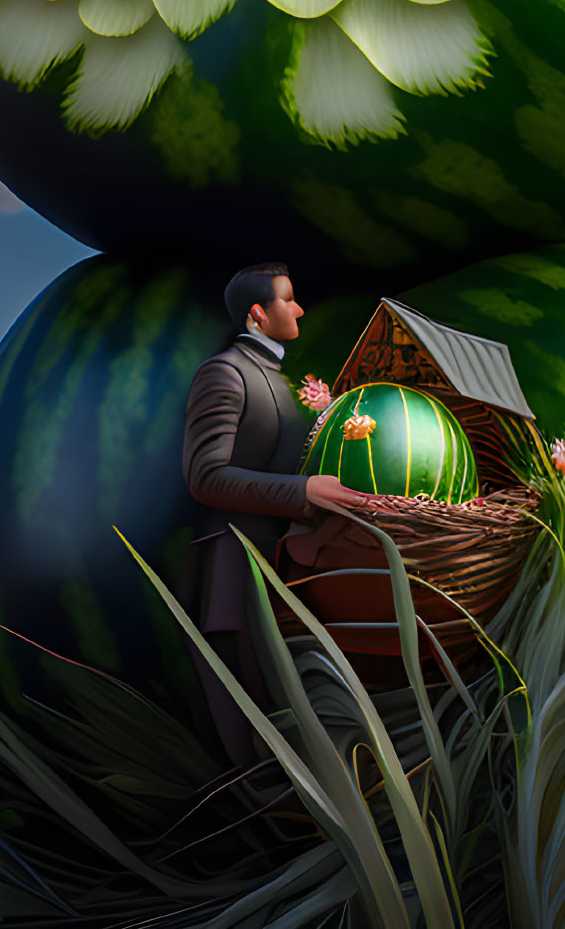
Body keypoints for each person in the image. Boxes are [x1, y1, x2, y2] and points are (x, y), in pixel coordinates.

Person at [181, 260, 359, 763]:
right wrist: (304, 492)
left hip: (277, 568)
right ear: (258, 315)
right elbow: (205, 477)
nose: (300, 308)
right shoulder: (225, 373)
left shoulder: (281, 383)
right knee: (243, 725)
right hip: (234, 571)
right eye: (288, 299)